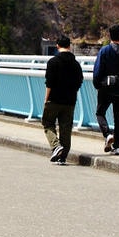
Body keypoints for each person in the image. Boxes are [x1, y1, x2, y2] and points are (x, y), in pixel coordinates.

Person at [92, 24, 119, 155]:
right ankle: (117, 146)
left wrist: (97, 84)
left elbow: (98, 70)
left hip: (106, 87)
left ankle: (107, 134)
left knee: (100, 112)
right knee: (118, 117)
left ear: (110, 35)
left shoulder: (105, 51)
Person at [42, 35, 84, 165]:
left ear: (57, 45)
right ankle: (63, 156)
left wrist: (46, 99)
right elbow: (79, 81)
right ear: (69, 46)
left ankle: (56, 146)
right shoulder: (76, 64)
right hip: (70, 100)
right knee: (66, 128)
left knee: (48, 123)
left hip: (54, 99)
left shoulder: (53, 62)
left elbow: (49, 83)